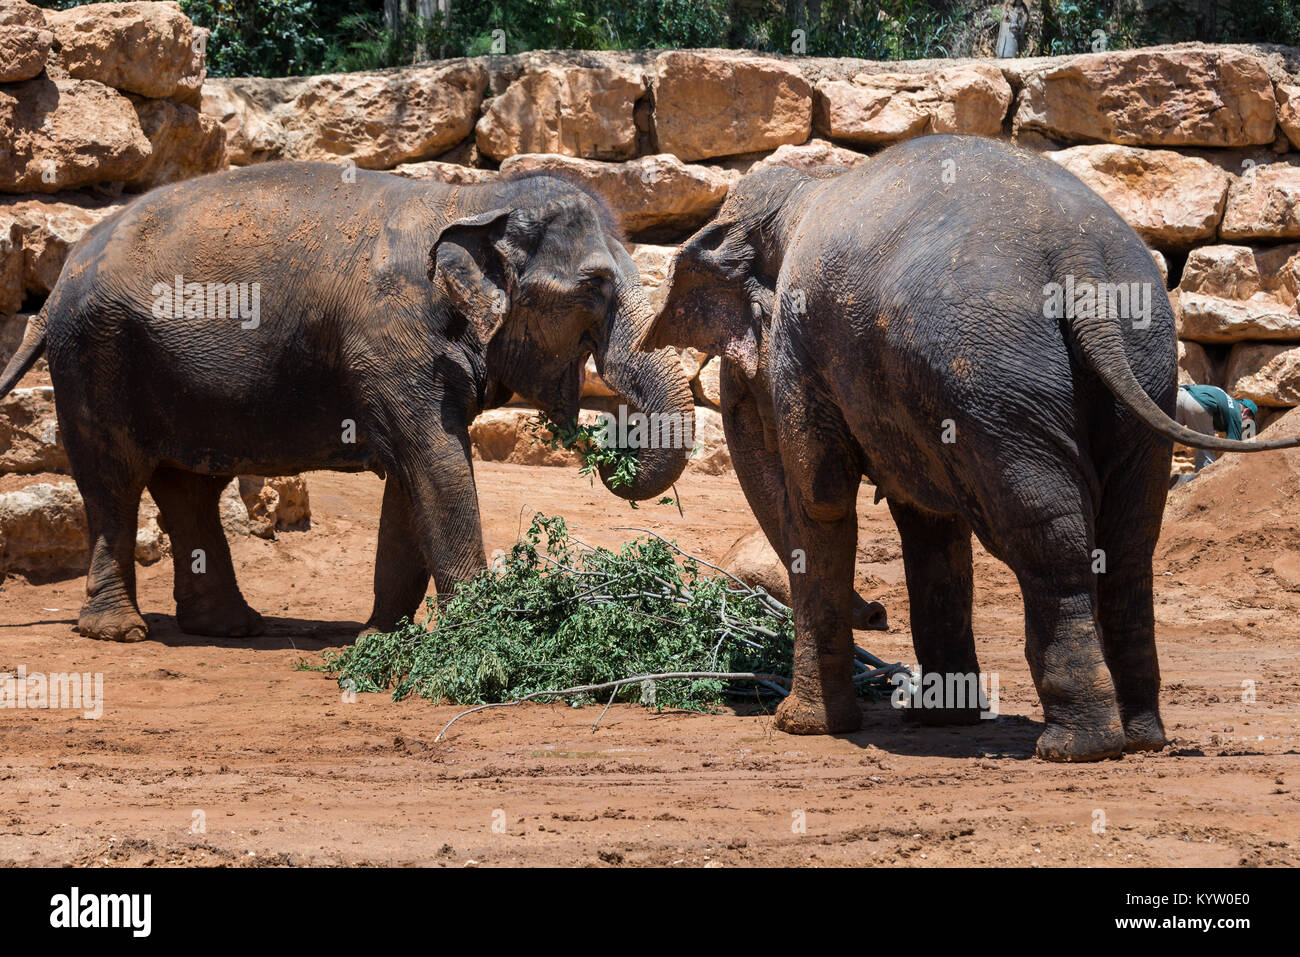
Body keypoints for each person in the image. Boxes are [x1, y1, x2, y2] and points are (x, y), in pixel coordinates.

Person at [1175, 384, 1259, 474]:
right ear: (1245, 412)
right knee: (1206, 450)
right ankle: (1204, 482)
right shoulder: (1237, 414)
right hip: (1199, 404)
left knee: (1166, 435)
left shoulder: (1226, 401)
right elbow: (1234, 448)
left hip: (1181, 395)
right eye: (1249, 421)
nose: (1245, 425)